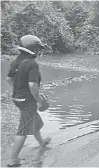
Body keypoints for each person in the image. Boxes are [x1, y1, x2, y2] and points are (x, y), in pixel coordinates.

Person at [6, 35, 51, 167]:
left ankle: (42, 144)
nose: (38, 51)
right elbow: (32, 85)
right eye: (37, 48)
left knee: (33, 119)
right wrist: (38, 100)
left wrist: (20, 89)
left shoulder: (15, 61)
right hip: (27, 100)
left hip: (17, 98)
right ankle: (12, 160)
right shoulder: (32, 64)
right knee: (23, 130)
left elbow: (9, 80)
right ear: (32, 49)